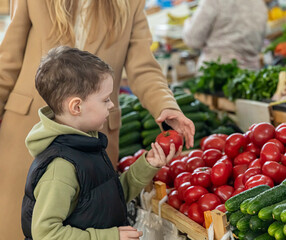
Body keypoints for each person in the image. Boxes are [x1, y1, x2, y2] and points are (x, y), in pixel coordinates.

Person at [0, 0, 194, 238]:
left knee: (92, 212)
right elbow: (7, 61)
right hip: (26, 131)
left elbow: (144, 68)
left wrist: (166, 105)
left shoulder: (129, 4)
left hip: (93, 134)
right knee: (21, 226)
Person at [22, 46, 180, 240]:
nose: (112, 104)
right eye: (105, 100)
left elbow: (106, 197)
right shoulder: (60, 168)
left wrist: (147, 165)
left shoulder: (86, 143)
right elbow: (46, 233)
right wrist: (110, 236)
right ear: (76, 106)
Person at [182, 0, 268, 71]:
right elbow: (260, 43)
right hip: (250, 76)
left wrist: (187, 22)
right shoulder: (259, 4)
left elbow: (192, 39)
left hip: (215, 74)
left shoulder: (213, 2)